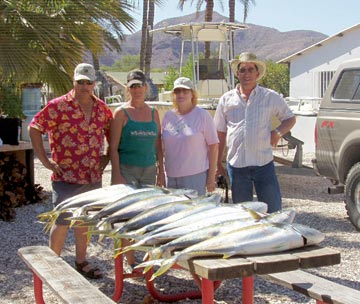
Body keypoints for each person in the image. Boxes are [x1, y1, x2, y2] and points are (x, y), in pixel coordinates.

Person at [29, 63, 113, 279]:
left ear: (95, 84)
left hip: (92, 176)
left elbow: (111, 131)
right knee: (62, 221)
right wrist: (45, 160)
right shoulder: (57, 106)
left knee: (84, 221)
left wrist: (107, 155)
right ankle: (52, 268)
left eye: (88, 82)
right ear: (73, 82)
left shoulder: (103, 109)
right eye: (80, 82)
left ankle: (81, 261)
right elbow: (34, 127)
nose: (84, 86)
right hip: (65, 175)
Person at [214, 52, 296, 213]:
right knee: (243, 214)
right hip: (237, 166)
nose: (246, 74)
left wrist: (277, 133)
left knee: (273, 210)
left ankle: (274, 238)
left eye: (250, 69)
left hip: (263, 164)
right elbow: (220, 132)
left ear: (257, 73)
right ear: (237, 74)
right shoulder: (226, 99)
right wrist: (217, 163)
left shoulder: (269, 97)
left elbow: (290, 119)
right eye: (242, 70)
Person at [109, 69, 165, 269]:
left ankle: (147, 259)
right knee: (126, 217)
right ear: (128, 88)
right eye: (132, 86)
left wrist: (161, 172)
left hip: (149, 170)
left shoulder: (153, 113)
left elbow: (158, 143)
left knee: (147, 215)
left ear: (145, 87)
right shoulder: (121, 113)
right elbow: (113, 147)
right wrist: (116, 174)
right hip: (127, 170)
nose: (137, 89)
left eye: (140, 85)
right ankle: (128, 259)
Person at [161, 77, 219, 196]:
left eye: (185, 91)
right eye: (177, 91)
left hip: (195, 177)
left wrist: (211, 177)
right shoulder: (168, 116)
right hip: (171, 177)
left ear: (192, 94)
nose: (181, 94)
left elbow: (214, 146)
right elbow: (162, 147)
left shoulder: (202, 115)